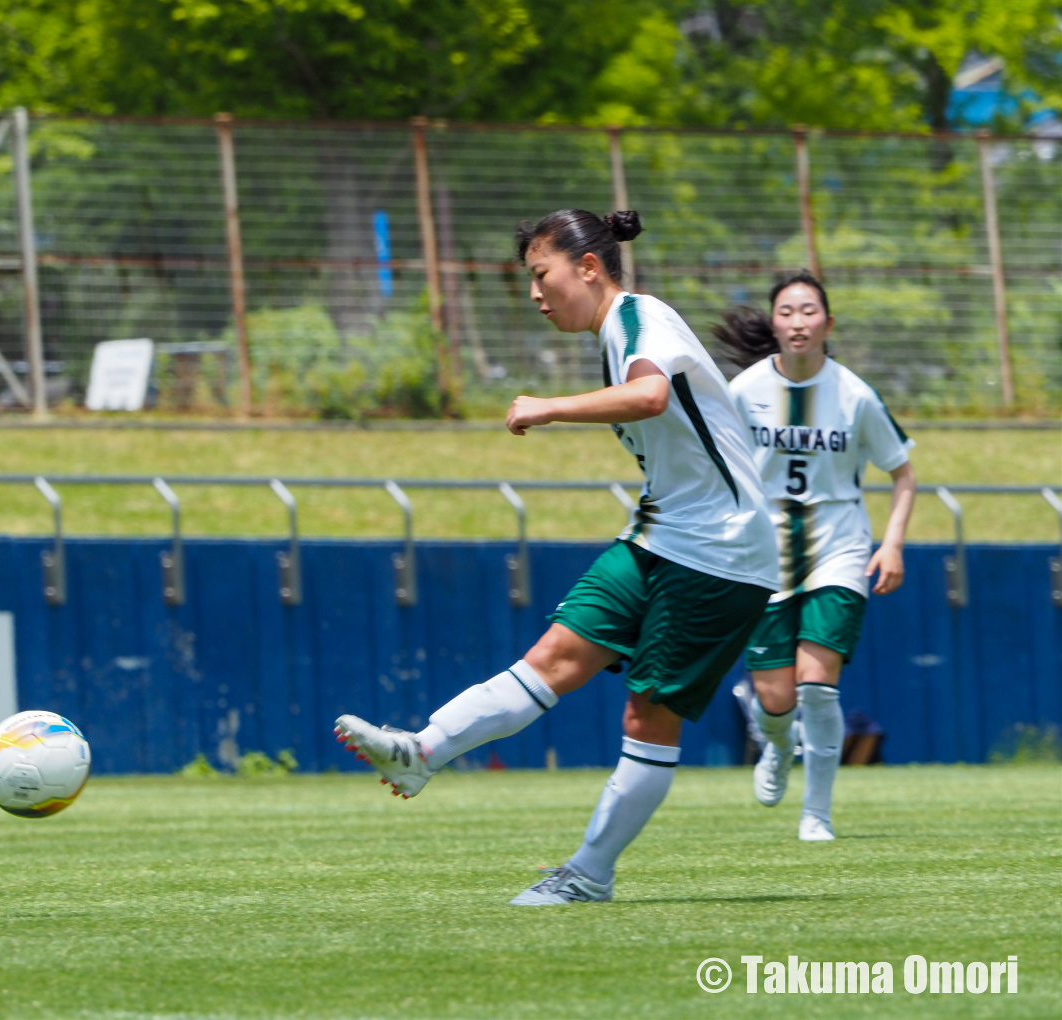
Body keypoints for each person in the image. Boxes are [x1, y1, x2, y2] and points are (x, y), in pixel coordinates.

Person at [334, 208, 780, 905]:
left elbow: (650, 395)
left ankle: (589, 875)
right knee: (552, 657)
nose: (536, 294)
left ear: (589, 267)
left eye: (542, 275)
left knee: (647, 716)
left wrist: (549, 407)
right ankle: (421, 752)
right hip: (662, 534)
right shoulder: (616, 334)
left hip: (723, 550)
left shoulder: (638, 318)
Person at [716, 271, 916, 842]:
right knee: (775, 698)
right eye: (786, 311)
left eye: (809, 311)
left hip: (839, 546)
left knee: (816, 685)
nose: (798, 321)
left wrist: (892, 543)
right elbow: (717, 464)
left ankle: (817, 814)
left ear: (828, 323)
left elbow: (902, 473)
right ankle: (778, 746)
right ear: (774, 323)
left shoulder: (855, 395)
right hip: (764, 552)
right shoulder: (744, 390)